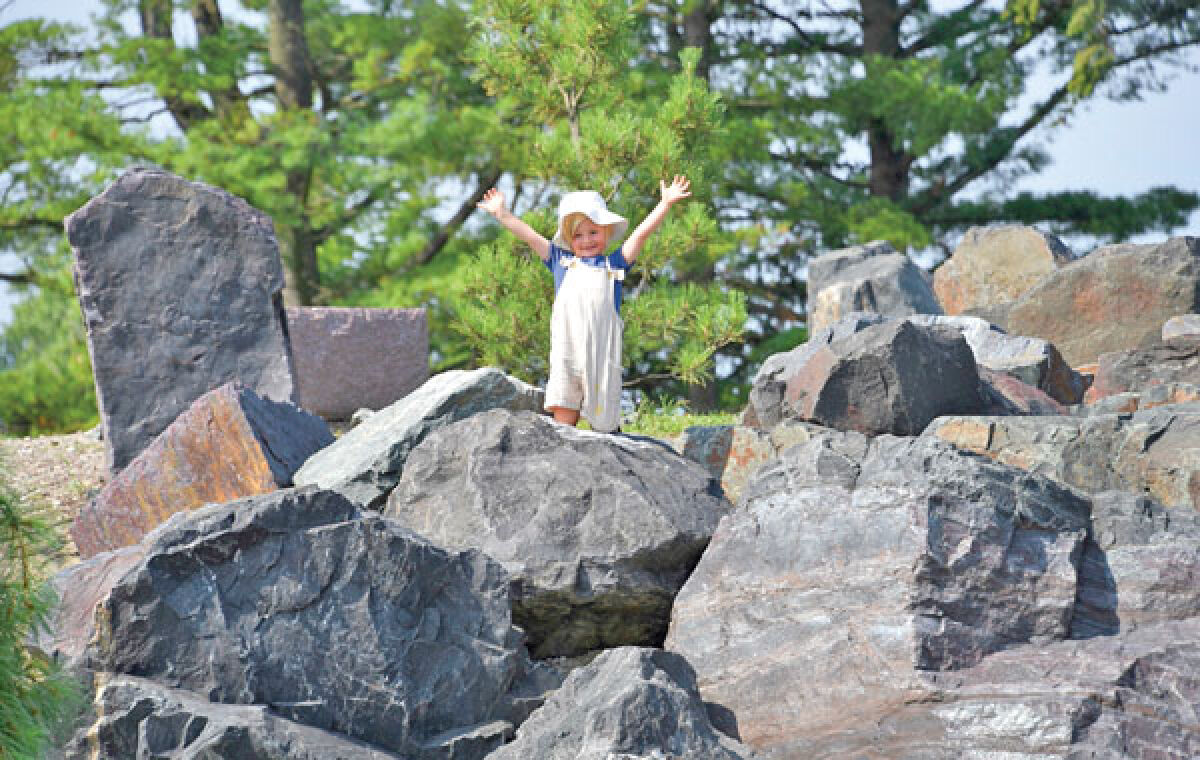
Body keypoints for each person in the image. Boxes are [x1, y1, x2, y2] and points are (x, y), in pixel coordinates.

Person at [476, 176, 692, 432]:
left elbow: (640, 236)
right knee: (564, 416)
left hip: (601, 356)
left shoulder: (614, 264)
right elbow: (530, 236)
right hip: (567, 352)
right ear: (568, 239)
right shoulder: (561, 261)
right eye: (578, 235)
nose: (587, 240)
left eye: (593, 232)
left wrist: (664, 204)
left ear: (606, 231)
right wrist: (502, 213)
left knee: (604, 421)